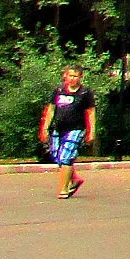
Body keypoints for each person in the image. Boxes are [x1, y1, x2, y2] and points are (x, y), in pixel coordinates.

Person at [40, 66, 97, 199]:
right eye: (70, 76)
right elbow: (51, 109)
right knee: (57, 157)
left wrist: (91, 131)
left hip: (76, 129)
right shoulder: (59, 90)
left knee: (66, 157)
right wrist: (45, 127)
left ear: (81, 77)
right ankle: (75, 179)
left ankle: (64, 188)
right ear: (65, 76)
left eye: (75, 76)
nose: (72, 79)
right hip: (58, 128)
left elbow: (91, 112)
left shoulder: (85, 93)